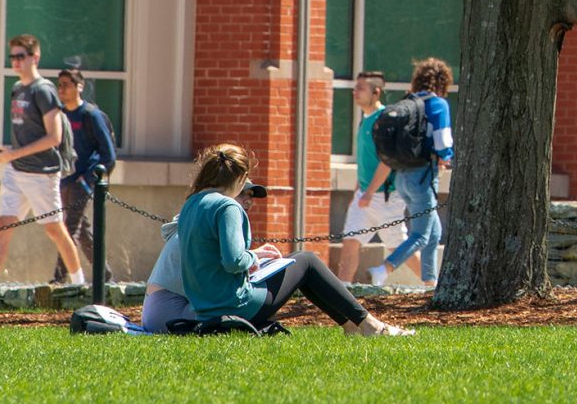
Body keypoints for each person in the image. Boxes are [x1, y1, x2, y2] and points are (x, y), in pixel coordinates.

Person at [177, 143, 411, 336]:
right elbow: (233, 261)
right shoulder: (227, 205)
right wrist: (251, 258)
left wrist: (255, 255)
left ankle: (352, 325)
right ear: (240, 177)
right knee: (307, 260)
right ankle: (369, 324)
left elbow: (212, 255)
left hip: (205, 309)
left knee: (297, 261)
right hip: (235, 306)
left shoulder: (192, 204)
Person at [0, 34, 87, 286]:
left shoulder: (44, 91)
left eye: (21, 56)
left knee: (54, 229)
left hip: (42, 172)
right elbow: (26, 134)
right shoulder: (18, 89)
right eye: (12, 57)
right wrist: (7, 153)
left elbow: (54, 137)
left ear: (35, 57)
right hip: (16, 171)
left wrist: (12, 154)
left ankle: (79, 284)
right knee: (2, 225)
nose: (16, 62)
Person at [366, 58, 454, 288]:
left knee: (434, 232)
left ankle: (429, 283)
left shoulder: (408, 101)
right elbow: (443, 141)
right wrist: (447, 156)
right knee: (421, 235)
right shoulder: (438, 104)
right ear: (442, 82)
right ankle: (383, 270)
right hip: (422, 178)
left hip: (402, 177)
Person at [333, 71, 415, 283]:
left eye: (361, 88)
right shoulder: (365, 121)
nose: (355, 92)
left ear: (376, 92)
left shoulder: (384, 120)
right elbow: (366, 161)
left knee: (397, 246)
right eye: (355, 88)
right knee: (350, 241)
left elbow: (387, 161)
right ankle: (343, 290)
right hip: (364, 194)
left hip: (386, 196)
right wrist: (358, 190)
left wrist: (369, 192)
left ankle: (431, 282)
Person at [50, 69, 117, 284]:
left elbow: (108, 155)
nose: (62, 89)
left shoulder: (91, 115)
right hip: (65, 180)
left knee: (69, 228)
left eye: (67, 84)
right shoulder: (60, 114)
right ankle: (104, 276)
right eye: (59, 85)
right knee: (83, 231)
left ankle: (60, 278)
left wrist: (90, 179)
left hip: (84, 181)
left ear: (80, 86)